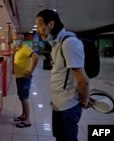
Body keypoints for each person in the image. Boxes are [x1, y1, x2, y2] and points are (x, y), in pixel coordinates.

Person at [36, 9, 89, 141]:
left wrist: (85, 99)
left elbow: (83, 80)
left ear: (51, 24)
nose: (38, 30)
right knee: (59, 137)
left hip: (68, 106)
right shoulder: (56, 43)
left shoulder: (69, 43)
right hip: (58, 103)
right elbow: (60, 74)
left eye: (39, 25)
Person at [12, 32, 38, 128]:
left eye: (17, 39)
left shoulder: (25, 48)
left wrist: (31, 71)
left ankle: (27, 120)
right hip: (19, 77)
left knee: (24, 98)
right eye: (14, 39)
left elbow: (36, 56)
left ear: (22, 40)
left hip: (24, 77)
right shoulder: (18, 49)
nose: (15, 41)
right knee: (21, 97)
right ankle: (23, 115)